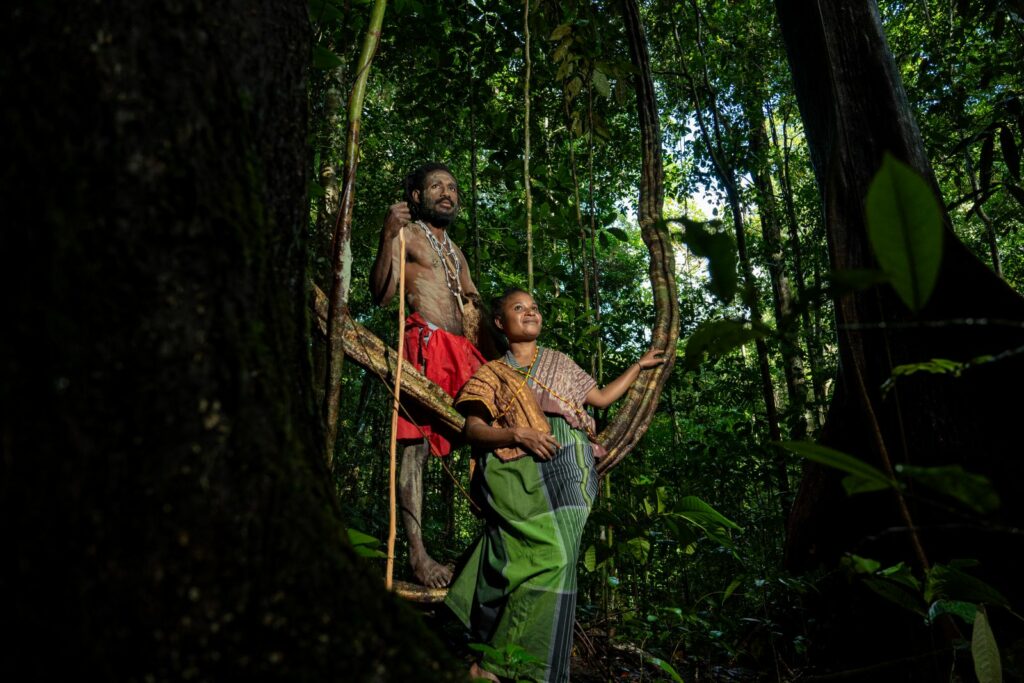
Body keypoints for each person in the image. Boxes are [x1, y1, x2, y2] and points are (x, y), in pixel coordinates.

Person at [446, 288, 664, 682]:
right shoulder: (491, 373)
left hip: (571, 465)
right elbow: (473, 430)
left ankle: (493, 664)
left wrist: (640, 365)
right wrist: (518, 435)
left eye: (535, 307)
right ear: (500, 323)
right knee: (542, 554)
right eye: (518, 308)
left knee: (559, 556)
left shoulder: (560, 362)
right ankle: (499, 664)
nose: (530, 312)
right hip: (514, 469)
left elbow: (599, 398)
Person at [369, 162, 491, 588]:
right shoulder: (408, 235)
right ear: (416, 197)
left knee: (491, 440)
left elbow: (475, 311)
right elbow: (382, 295)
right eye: (436, 186)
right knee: (415, 450)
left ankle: (491, 551)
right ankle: (418, 557)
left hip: (464, 355)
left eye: (453, 187)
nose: (448, 193)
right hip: (426, 348)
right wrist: (387, 235)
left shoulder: (455, 252)